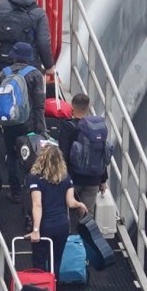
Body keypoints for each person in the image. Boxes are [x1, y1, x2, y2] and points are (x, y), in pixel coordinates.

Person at [0, 41, 47, 203]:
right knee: (30, 155)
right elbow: (39, 105)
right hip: (28, 123)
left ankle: (15, 192)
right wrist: (41, 129)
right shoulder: (35, 74)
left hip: (9, 123)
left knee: (12, 155)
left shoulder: (4, 73)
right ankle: (33, 191)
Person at [27, 144, 88, 275]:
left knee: (39, 261)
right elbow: (70, 202)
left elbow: (37, 204)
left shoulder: (34, 178)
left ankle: (42, 289)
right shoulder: (66, 178)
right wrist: (80, 204)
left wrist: (35, 230)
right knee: (56, 260)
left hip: (45, 225)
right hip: (62, 225)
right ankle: (54, 287)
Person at [57, 93, 108, 226]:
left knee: (66, 212)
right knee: (86, 215)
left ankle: (68, 242)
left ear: (72, 106)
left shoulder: (67, 126)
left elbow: (63, 153)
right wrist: (103, 180)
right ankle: (84, 244)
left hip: (73, 178)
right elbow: (101, 154)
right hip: (93, 179)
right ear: (88, 107)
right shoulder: (98, 129)